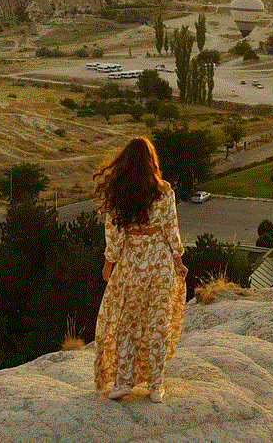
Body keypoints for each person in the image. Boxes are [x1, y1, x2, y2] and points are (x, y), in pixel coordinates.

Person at [92, 136, 187, 402]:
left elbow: (114, 234)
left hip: (132, 264)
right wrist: (178, 261)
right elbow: (171, 230)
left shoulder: (118, 193)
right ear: (151, 162)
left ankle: (123, 382)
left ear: (124, 164)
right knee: (158, 323)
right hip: (159, 262)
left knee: (128, 324)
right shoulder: (165, 191)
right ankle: (155, 386)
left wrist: (109, 261)